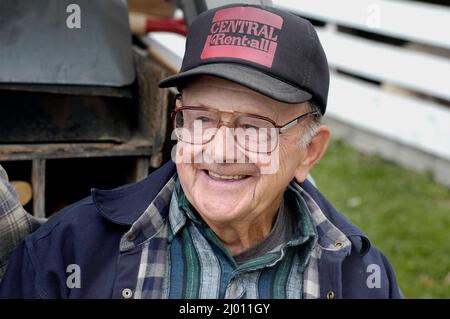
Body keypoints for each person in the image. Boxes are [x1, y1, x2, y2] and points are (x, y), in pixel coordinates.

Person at [0, 4, 402, 299]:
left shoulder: (361, 276)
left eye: (252, 127)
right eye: (202, 119)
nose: (220, 151)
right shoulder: (65, 252)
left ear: (309, 152)